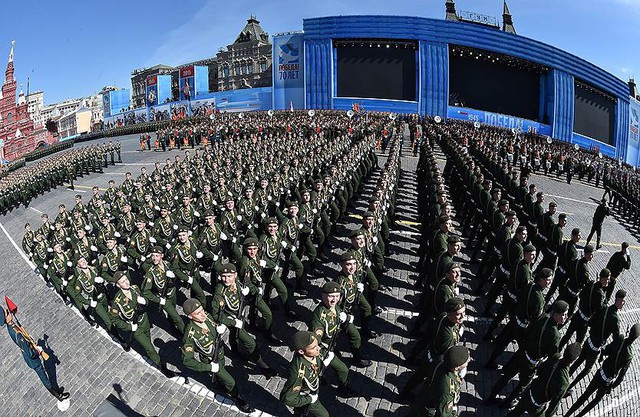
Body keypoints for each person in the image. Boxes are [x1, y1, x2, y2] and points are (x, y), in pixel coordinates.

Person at [181, 298, 254, 413]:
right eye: (198, 313)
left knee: (222, 369)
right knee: (231, 382)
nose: (202, 314)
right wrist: (210, 367)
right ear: (190, 316)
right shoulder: (190, 334)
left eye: (202, 310)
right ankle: (238, 398)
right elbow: (187, 361)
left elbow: (219, 319)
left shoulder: (207, 316)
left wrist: (225, 326)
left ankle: (216, 382)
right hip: (211, 360)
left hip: (220, 353)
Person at [564, 324, 640, 417]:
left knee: (585, 395)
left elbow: (606, 350)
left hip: (600, 373)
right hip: (607, 382)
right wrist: (612, 387)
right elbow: (621, 376)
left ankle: (567, 414)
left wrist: (603, 355)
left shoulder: (620, 339)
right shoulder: (629, 355)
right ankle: (579, 415)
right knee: (596, 400)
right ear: (635, 339)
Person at [2, 307, 70, 401]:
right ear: (7, 319)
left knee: (46, 373)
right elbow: (30, 353)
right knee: (44, 377)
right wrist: (38, 351)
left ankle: (56, 389)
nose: (9, 312)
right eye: (7, 312)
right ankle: (58, 396)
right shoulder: (16, 333)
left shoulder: (12, 325)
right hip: (32, 359)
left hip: (31, 349)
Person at [506, 343, 582, 417]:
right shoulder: (564, 382)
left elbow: (539, 371)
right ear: (572, 361)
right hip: (536, 405)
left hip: (529, 392)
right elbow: (553, 406)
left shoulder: (556, 357)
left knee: (515, 412)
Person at [406, 345, 471, 417]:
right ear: (456, 368)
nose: (469, 360)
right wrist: (454, 412)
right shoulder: (447, 389)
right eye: (466, 360)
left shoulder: (440, 360)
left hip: (423, 397)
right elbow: (443, 414)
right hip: (428, 410)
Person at [280, 331, 328, 417]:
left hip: (312, 389)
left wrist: (324, 360)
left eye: (317, 345)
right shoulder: (298, 372)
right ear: (302, 352)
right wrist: (309, 399)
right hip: (306, 395)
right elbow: (287, 399)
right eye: (314, 347)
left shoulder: (312, 353)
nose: (318, 348)